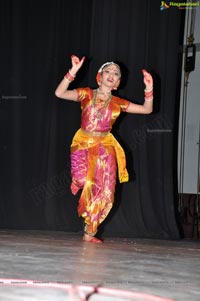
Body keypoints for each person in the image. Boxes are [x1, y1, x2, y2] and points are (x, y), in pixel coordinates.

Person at [55, 55, 153, 243]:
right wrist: (73, 71)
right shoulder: (86, 94)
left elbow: (147, 109)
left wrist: (148, 88)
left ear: (118, 82)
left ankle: (89, 233)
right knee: (83, 179)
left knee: (107, 193)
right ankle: (77, 182)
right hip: (83, 142)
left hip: (105, 147)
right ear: (100, 76)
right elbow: (59, 93)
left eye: (116, 73)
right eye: (108, 71)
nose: (112, 74)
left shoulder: (118, 103)